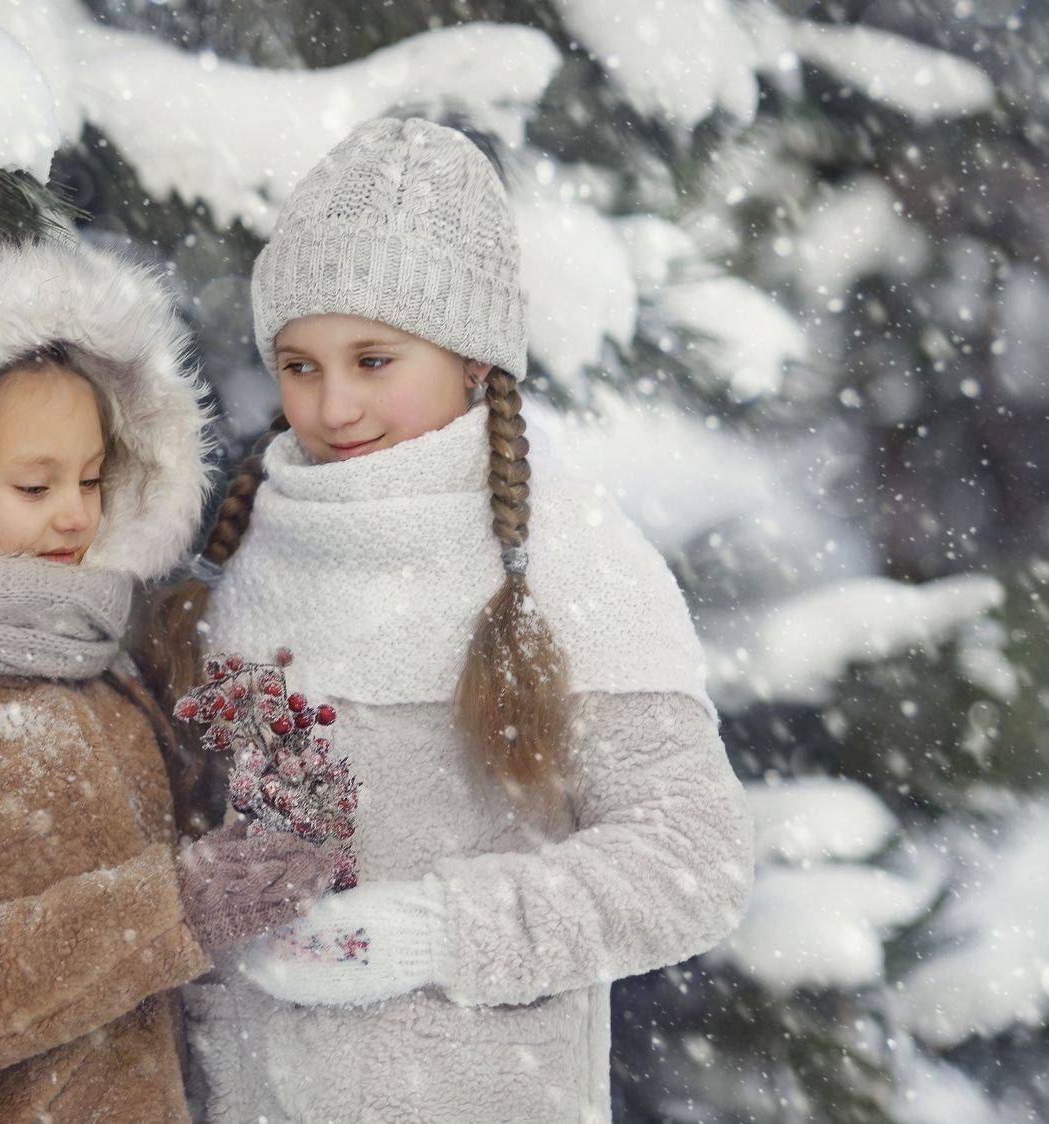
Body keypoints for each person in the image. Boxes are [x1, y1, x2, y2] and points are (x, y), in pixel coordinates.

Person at [142, 117, 755, 1122]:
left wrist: (435, 930)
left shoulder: (570, 561)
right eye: (300, 365)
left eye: (373, 360)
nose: (333, 406)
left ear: (473, 359)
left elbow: (694, 860)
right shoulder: (244, 557)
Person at [0, 237, 333, 1123]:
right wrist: (173, 906)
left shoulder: (103, 672)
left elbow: (182, 896)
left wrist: (261, 803)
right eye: (35, 488)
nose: (77, 515)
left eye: (91, 478)